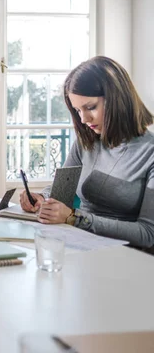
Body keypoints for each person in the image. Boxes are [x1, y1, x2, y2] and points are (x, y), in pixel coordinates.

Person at [20, 56, 154, 249]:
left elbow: (149, 234)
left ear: (118, 99)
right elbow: (61, 193)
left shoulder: (149, 153)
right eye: (77, 110)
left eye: (90, 107)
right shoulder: (86, 142)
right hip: (80, 246)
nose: (83, 119)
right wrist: (41, 199)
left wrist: (75, 218)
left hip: (127, 259)